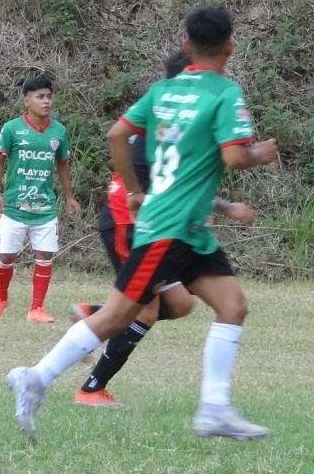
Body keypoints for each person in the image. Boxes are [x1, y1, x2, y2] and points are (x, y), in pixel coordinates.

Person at [6, 7, 280, 442]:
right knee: (118, 316)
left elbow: (117, 134)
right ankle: (35, 377)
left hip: (188, 229)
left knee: (233, 306)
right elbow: (233, 156)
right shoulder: (225, 93)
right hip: (167, 230)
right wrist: (260, 154)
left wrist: (133, 190)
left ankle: (214, 409)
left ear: (187, 46)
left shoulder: (163, 91)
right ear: (230, 46)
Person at [69, 51, 258, 408]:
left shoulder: (169, 121)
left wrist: (222, 206)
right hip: (130, 223)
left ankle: (94, 315)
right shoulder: (169, 124)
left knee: (182, 304)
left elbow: (181, 184)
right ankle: (91, 388)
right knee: (146, 311)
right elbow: (169, 185)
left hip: (143, 223)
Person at [0, 75, 81, 323]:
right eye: (40, 97)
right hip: (14, 206)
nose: (46, 101)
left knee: (45, 256)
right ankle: (0, 299)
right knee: (7, 257)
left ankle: (36, 309)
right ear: (26, 101)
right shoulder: (11, 128)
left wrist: (69, 197)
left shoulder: (58, 131)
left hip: (45, 207)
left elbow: (63, 165)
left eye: (49, 96)